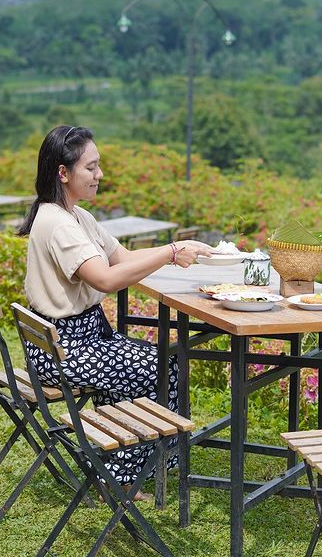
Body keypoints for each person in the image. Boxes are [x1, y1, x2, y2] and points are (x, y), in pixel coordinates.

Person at [18, 124, 212, 494]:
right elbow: (105, 279)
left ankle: (124, 464)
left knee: (159, 360)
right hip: (65, 350)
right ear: (63, 173)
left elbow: (122, 258)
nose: (99, 175)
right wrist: (169, 251)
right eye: (91, 167)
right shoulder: (59, 224)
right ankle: (122, 476)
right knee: (160, 367)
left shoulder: (76, 216)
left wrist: (176, 255)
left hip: (77, 340)